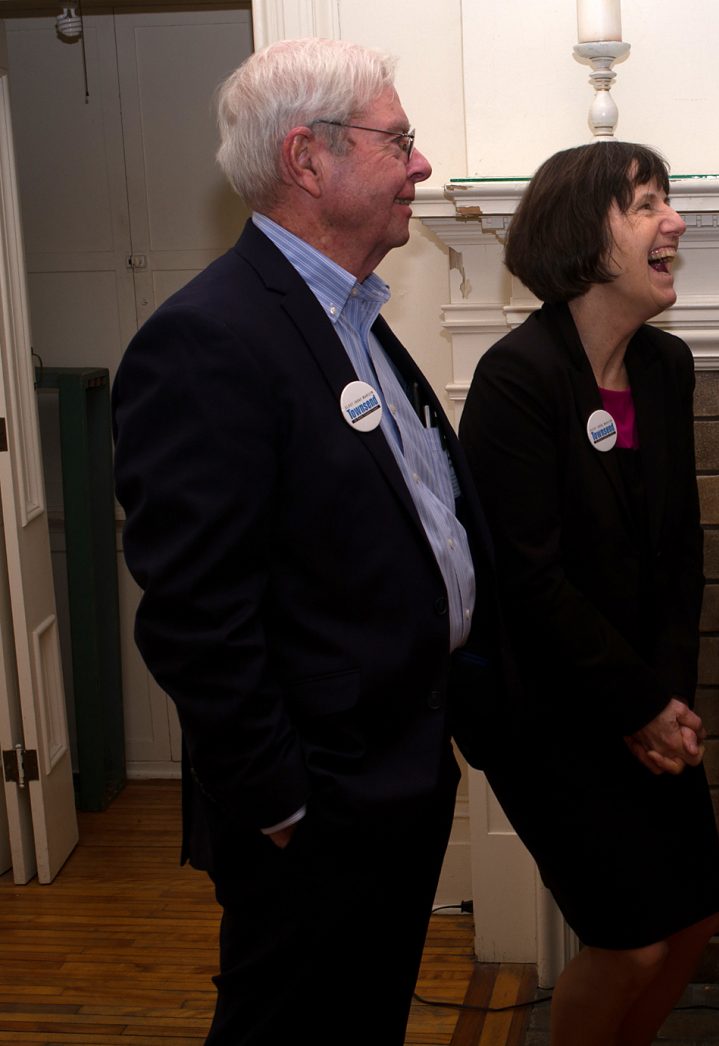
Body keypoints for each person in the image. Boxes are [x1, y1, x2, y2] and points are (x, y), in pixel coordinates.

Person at [113, 38, 502, 1044]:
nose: (420, 164)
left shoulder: (354, 318)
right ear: (307, 158)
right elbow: (196, 613)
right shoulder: (208, 338)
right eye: (398, 141)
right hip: (317, 809)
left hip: (399, 778)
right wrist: (281, 803)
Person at [458, 142, 719, 1046]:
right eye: (647, 204)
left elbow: (680, 551)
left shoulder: (666, 367)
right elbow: (529, 580)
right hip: (549, 715)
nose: (674, 221)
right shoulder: (517, 379)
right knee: (632, 944)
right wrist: (639, 706)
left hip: (646, 702)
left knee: (695, 919)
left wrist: (670, 699)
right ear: (584, 235)